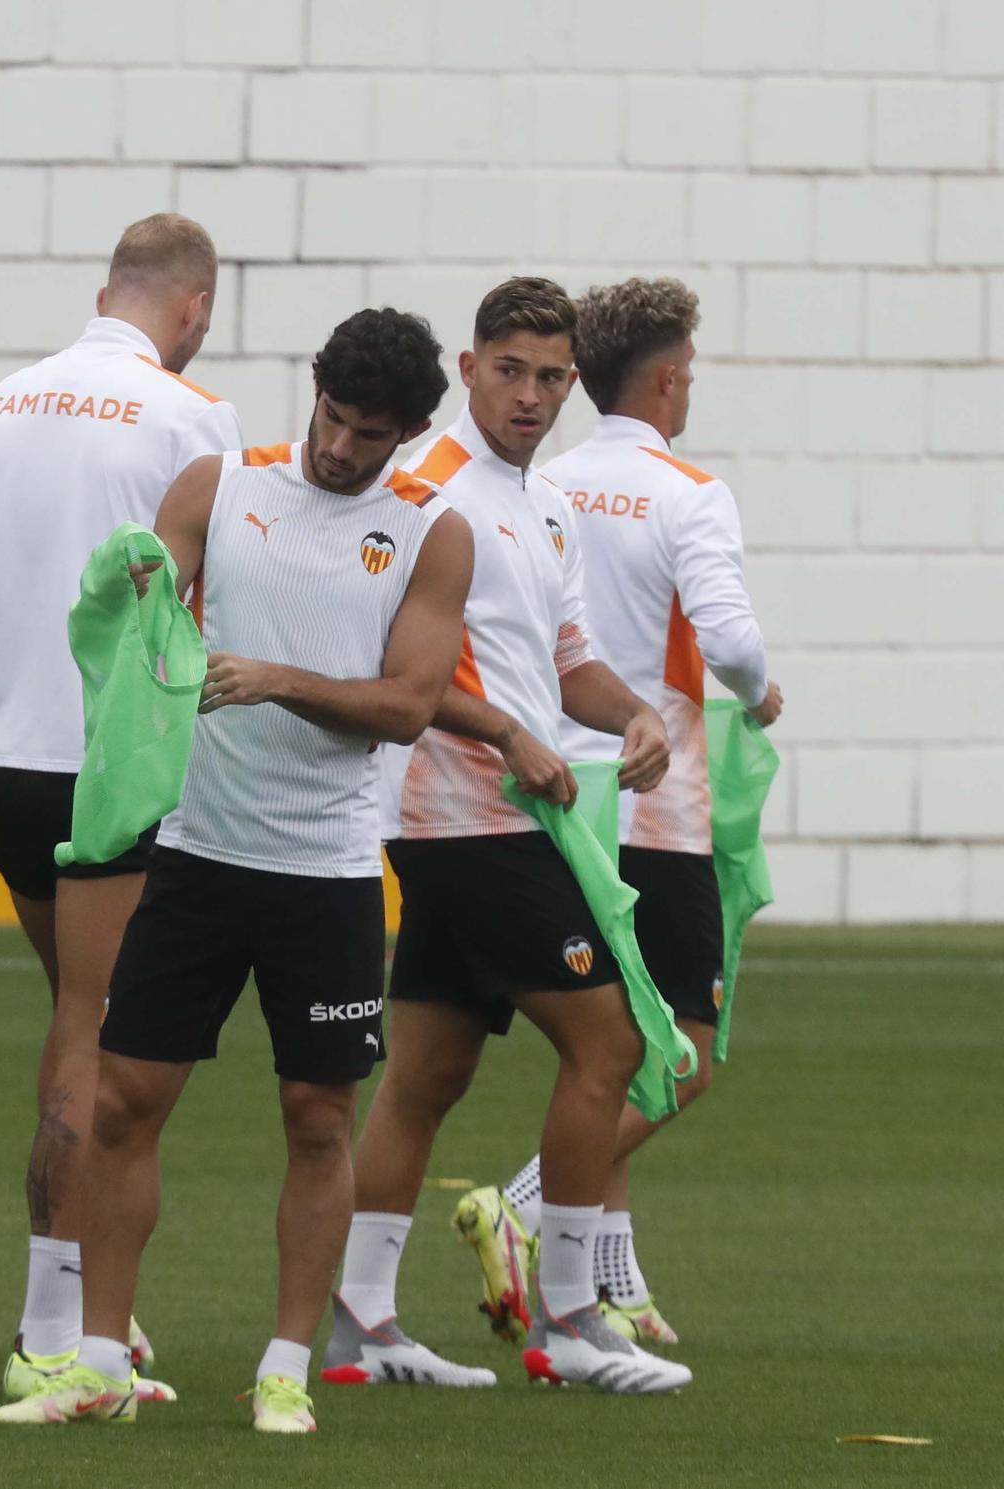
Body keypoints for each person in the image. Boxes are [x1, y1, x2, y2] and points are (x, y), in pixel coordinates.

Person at [0, 310, 474, 1432]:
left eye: (374, 436)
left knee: (316, 1118)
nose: (346, 449)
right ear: (312, 394)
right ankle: (101, 1363)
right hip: (197, 853)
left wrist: (272, 679)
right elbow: (141, 620)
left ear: (409, 433)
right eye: (336, 421)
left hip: (328, 871)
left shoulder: (430, 533)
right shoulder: (221, 484)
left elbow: (404, 705)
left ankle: (284, 1369)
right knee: (121, 1103)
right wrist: (128, 586)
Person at [327, 277, 691, 1396]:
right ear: (469, 366)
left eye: (550, 377)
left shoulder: (541, 505)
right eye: (509, 371)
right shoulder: (421, 486)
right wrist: (505, 734)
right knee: (616, 1044)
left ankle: (358, 1323)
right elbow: (384, 664)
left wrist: (632, 710)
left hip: (498, 815)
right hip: (463, 815)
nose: (529, 396)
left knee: (426, 1073)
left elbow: (565, 660)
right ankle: (572, 1320)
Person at [0, 213, 244, 1392]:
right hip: (107, 763)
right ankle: (52, 1332)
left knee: (74, 1019)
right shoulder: (189, 414)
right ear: (192, 307)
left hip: (3, 758)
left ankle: (73, 1311)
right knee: (93, 1039)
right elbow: (219, 597)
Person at [457, 277, 782, 1347]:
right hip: (655, 798)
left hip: (562, 797)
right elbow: (726, 635)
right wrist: (758, 688)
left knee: (606, 1045)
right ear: (667, 376)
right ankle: (526, 1203)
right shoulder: (686, 488)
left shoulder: (543, 481)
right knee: (680, 1043)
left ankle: (609, 1276)